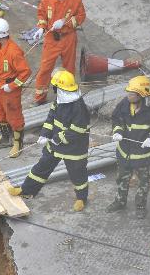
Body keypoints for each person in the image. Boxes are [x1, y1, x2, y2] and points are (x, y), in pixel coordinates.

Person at [9, 70, 90, 211]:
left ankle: (81, 198)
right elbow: (51, 117)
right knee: (41, 168)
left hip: (74, 150)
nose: (54, 90)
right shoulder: (59, 100)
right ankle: (26, 190)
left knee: (78, 174)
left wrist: (58, 138)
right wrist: (45, 133)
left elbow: (77, 130)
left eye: (55, 87)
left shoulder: (79, 107)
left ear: (60, 88)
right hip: (55, 146)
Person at [105, 76, 150, 219]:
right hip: (124, 152)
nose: (128, 95)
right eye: (129, 92)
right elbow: (116, 119)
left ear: (141, 95)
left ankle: (140, 206)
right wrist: (117, 131)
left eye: (132, 93)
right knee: (122, 179)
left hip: (142, 155)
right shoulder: (124, 104)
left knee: (143, 183)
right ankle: (120, 202)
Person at [0, 18, 31, 157]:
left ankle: (18, 144)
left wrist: (12, 86)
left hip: (10, 90)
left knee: (14, 116)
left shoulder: (14, 52)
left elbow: (25, 72)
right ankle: (5, 138)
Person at [31, 0, 85, 106]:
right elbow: (42, 14)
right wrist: (41, 27)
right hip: (51, 38)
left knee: (69, 68)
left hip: (68, 37)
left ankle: (68, 95)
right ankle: (40, 98)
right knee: (45, 69)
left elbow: (81, 16)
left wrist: (65, 22)